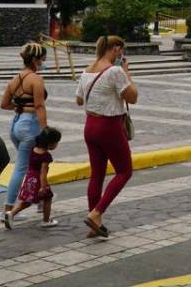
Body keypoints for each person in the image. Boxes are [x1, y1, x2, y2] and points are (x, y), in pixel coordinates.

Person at [75, 35, 138, 238]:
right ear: (116, 49)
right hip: (109, 126)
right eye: (122, 51)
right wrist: (127, 73)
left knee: (97, 175)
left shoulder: (87, 70)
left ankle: (95, 224)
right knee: (124, 171)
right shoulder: (116, 71)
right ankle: (96, 213)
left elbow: (78, 100)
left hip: (90, 126)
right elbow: (133, 97)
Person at [0, 42, 48, 226]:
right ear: (36, 59)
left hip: (15, 124)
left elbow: (4, 104)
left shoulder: (15, 79)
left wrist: (20, 106)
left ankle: (39, 200)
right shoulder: (36, 79)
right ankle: (8, 209)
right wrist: (45, 130)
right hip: (30, 124)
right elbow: (39, 106)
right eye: (43, 58)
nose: (44, 62)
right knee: (23, 167)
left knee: (32, 164)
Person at [5, 126, 61, 229]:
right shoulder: (46, 156)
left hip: (29, 179)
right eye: (56, 142)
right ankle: (46, 220)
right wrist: (43, 187)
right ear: (50, 143)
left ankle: (11, 214)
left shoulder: (33, 149)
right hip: (39, 181)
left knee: (26, 202)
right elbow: (43, 173)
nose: (57, 145)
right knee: (48, 199)